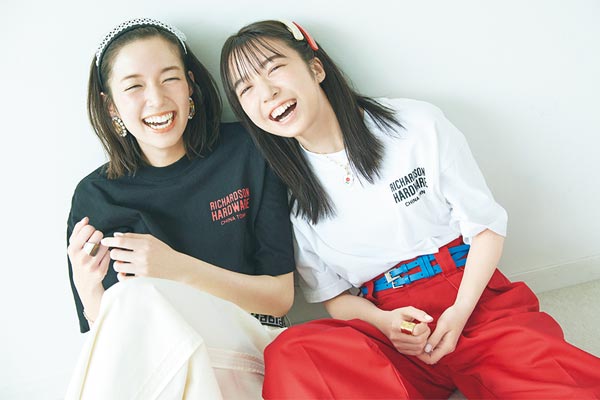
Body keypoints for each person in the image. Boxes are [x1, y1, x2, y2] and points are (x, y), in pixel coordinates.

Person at [220, 19, 600, 399]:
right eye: (246, 88)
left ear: (315, 69)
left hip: (473, 300)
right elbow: (334, 297)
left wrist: (459, 311)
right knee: (294, 352)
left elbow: (485, 228)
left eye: (274, 68)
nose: (266, 93)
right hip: (391, 330)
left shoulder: (413, 125)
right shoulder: (286, 192)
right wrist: (385, 323)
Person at [65, 18, 295, 399]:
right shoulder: (96, 196)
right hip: (165, 371)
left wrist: (175, 269)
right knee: (129, 304)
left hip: (254, 346)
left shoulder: (248, 150)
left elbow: (280, 296)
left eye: (169, 78)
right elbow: (114, 342)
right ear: (110, 106)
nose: (156, 100)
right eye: (134, 86)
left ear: (190, 86)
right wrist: (89, 293)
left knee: (133, 296)